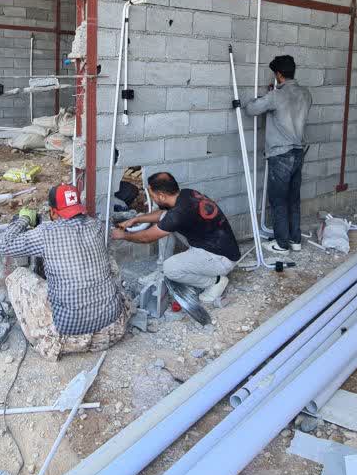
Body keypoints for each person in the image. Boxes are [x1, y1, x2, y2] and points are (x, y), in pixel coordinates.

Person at [0, 183, 130, 361]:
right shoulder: (97, 225)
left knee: (18, 276)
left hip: (70, 337)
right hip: (113, 330)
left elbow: (4, 245)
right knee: (109, 262)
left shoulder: (46, 233)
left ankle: (44, 335)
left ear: (53, 212)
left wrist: (24, 219)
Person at [112, 171, 240, 305]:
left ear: (162, 196)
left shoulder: (178, 214)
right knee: (164, 219)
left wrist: (123, 235)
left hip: (221, 259)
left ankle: (215, 282)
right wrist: (136, 219)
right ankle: (161, 271)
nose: (152, 199)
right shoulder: (186, 194)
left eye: (152, 196)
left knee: (170, 269)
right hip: (215, 245)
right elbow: (163, 215)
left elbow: (146, 237)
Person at [244, 54, 312, 256]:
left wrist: (264, 97)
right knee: (293, 199)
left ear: (279, 75)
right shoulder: (306, 94)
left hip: (281, 154)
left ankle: (282, 245)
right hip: (298, 152)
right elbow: (290, 110)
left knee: (278, 201)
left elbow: (251, 109)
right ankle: (295, 240)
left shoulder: (276, 96)